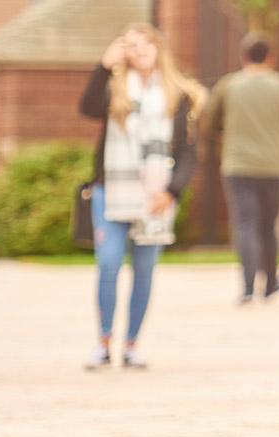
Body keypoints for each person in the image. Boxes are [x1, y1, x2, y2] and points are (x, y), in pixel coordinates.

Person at [80, 25, 205, 370]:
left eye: (147, 42)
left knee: (144, 270)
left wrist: (172, 190)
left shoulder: (178, 95)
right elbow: (87, 108)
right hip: (113, 191)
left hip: (155, 196)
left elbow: (188, 152)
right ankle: (104, 342)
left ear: (160, 47)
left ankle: (132, 344)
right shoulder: (114, 89)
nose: (141, 49)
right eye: (131, 45)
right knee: (108, 263)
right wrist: (104, 66)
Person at [208, 37, 279, 304]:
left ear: (243, 57)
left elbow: (211, 121)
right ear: (271, 57)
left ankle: (249, 287)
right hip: (273, 166)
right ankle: (272, 282)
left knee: (245, 225)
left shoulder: (228, 85)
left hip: (238, 166)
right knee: (268, 226)